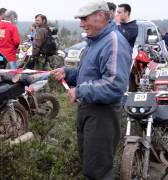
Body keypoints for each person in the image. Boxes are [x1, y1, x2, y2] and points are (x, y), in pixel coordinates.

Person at [52, 0, 132, 179]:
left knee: (98, 172)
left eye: (84, 18)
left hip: (102, 115)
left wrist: (80, 91)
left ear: (101, 16)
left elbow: (114, 85)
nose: (81, 23)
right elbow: (89, 73)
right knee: (89, 166)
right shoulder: (94, 41)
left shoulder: (113, 42)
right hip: (88, 110)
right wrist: (68, 73)